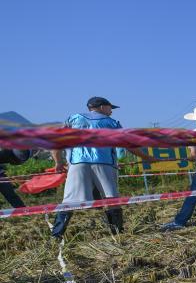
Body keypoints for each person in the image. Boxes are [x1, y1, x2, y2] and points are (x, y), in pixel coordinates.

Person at [49, 97, 154, 238]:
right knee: (111, 199)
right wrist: (146, 157)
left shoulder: (73, 119)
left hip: (78, 163)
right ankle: (117, 234)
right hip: (104, 163)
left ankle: (56, 235)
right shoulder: (112, 123)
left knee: (69, 201)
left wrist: (58, 162)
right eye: (110, 108)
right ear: (102, 107)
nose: (111, 111)